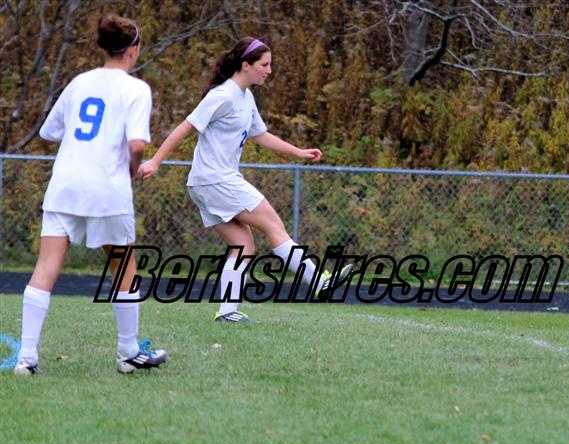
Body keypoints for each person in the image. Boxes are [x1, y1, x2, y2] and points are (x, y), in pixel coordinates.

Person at [138, 37, 353, 322]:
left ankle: (227, 312)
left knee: (243, 247)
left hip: (205, 183)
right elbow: (185, 127)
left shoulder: (245, 97)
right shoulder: (223, 96)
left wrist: (298, 152)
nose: (269, 71)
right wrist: (155, 160)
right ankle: (317, 280)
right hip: (217, 180)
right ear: (246, 65)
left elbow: (260, 135)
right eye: (265, 65)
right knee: (274, 226)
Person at [14, 13, 167, 375]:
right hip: (106, 188)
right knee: (123, 266)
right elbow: (137, 144)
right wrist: (132, 167)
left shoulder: (79, 82)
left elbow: (50, 131)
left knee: (46, 267)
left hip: (65, 185)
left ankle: (27, 357)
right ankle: (128, 352)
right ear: (133, 49)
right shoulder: (135, 89)